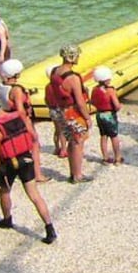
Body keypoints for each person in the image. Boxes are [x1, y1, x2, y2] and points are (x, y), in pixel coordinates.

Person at [0, 95, 57, 244]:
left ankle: (7, 219)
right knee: (35, 195)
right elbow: (33, 136)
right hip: (26, 159)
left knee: (5, 191)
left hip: (9, 163)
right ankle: (49, 228)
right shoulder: (20, 116)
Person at [0, 59, 47, 183]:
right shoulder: (16, 90)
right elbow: (21, 110)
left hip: (8, 119)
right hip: (21, 121)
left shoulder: (2, 86)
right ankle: (37, 174)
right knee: (34, 144)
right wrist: (29, 128)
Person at [49, 44, 92, 184]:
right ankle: (78, 175)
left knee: (71, 142)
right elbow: (80, 102)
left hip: (61, 111)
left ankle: (72, 173)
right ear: (72, 57)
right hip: (73, 113)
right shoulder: (73, 78)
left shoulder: (55, 72)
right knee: (78, 143)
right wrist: (87, 117)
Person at [90, 66, 123, 165]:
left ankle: (105, 157)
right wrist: (119, 106)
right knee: (114, 136)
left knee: (103, 136)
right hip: (109, 115)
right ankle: (117, 157)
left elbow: (93, 102)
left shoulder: (94, 89)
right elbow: (116, 105)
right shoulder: (110, 91)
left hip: (99, 114)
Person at [44, 65, 67, 157]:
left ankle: (57, 148)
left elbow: (46, 99)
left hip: (52, 110)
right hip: (59, 109)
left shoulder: (47, 87)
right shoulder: (58, 86)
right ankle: (64, 150)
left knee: (57, 130)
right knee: (62, 130)